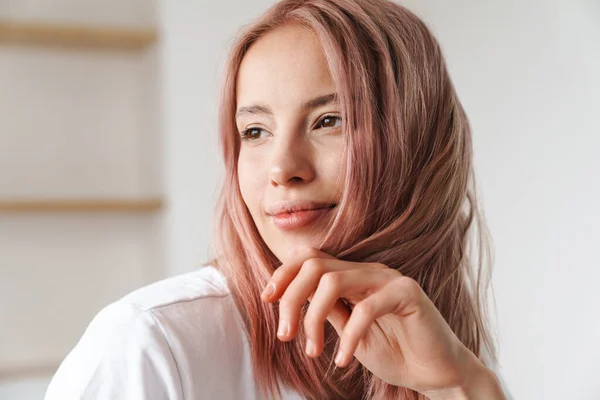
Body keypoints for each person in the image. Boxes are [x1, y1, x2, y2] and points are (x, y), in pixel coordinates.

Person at [45, 0, 511, 399]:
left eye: (329, 121)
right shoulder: (149, 342)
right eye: (254, 132)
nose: (282, 168)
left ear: (419, 139)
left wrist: (462, 385)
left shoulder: (444, 347)